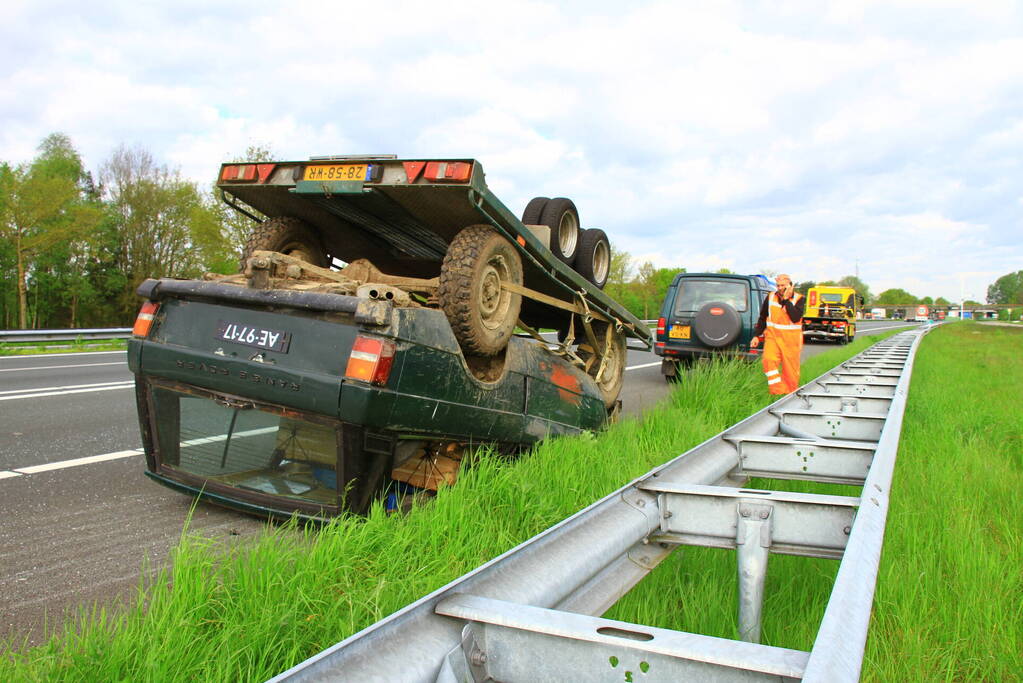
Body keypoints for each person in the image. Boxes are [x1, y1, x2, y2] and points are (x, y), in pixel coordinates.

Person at [750, 274, 805, 394]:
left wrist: (786, 300)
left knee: (790, 371)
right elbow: (763, 317)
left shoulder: (799, 299)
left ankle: (790, 394)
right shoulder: (770, 297)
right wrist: (756, 335)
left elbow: (795, 317)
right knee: (768, 360)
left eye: (783, 286)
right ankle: (777, 391)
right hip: (773, 337)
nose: (780, 288)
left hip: (791, 341)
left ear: (790, 286)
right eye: (778, 285)